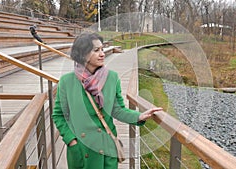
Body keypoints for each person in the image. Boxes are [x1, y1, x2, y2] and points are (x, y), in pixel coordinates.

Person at [52, 32, 162, 169]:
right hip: (82, 149)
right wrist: (71, 141)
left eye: (102, 49)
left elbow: (118, 110)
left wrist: (139, 116)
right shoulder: (67, 81)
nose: (102, 53)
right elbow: (59, 115)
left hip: (107, 148)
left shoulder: (112, 78)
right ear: (83, 54)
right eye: (96, 50)